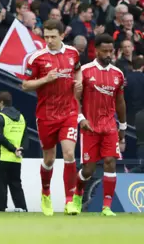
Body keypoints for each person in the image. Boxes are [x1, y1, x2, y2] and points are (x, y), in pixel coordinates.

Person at [22, 19, 80, 216]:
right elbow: (25, 85)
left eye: (53, 37)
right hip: (46, 115)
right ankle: (45, 193)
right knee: (49, 158)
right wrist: (46, 79)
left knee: (69, 154)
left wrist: (78, 84)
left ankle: (69, 201)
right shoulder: (35, 58)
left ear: (62, 36)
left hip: (69, 112)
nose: (49, 40)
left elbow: (78, 70)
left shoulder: (73, 53)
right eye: (46, 37)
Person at [73, 34, 127, 217]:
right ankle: (77, 194)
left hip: (110, 126)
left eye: (110, 51)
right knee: (88, 169)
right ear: (95, 50)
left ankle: (106, 207)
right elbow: (75, 98)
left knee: (110, 162)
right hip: (89, 127)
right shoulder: (85, 71)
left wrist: (123, 126)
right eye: (104, 51)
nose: (108, 54)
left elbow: (120, 102)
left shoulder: (118, 74)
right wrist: (81, 118)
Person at [0, 91, 28, 213]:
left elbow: (0, 137)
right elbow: (25, 137)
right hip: (16, 158)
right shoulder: (21, 117)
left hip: (2, 157)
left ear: (1, 102)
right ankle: (23, 208)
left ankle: (2, 210)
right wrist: (21, 149)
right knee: (16, 185)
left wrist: (12, 148)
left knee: (0, 186)